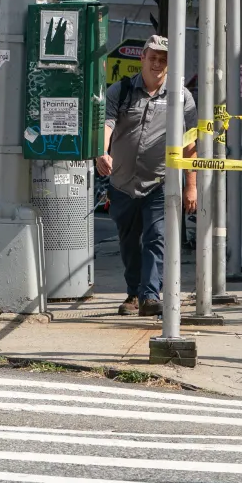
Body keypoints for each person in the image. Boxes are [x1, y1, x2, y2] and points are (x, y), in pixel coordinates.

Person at [96, 34, 197, 317]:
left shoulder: (181, 96)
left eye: (163, 59)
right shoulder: (122, 90)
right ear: (142, 58)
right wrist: (101, 152)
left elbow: (191, 144)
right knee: (129, 243)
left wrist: (191, 186)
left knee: (156, 238)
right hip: (122, 183)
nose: (157, 63)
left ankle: (150, 295)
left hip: (160, 183)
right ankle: (133, 293)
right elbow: (106, 123)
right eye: (152, 57)